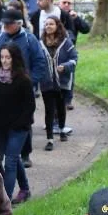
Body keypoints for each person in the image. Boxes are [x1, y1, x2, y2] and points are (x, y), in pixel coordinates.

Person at [0, 43, 34, 204]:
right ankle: (25, 189)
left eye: (8, 57)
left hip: (18, 128)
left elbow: (30, 106)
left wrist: (19, 123)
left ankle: (5, 200)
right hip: (0, 127)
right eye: (2, 57)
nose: (4, 61)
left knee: (10, 161)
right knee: (13, 158)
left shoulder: (23, 80)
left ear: (14, 58)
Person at [38, 16, 77, 150]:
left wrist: (65, 66)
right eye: (46, 24)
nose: (48, 26)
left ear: (57, 26)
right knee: (49, 110)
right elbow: (36, 60)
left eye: (51, 24)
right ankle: (50, 139)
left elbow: (74, 58)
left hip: (62, 82)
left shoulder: (66, 42)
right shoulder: (40, 43)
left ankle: (61, 130)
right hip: (46, 82)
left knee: (60, 108)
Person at [57, 0, 91, 114]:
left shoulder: (73, 16)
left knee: (70, 73)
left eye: (69, 3)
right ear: (59, 3)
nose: (67, 5)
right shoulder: (56, 16)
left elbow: (86, 29)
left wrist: (77, 18)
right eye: (64, 3)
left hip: (69, 50)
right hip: (55, 50)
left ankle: (68, 100)